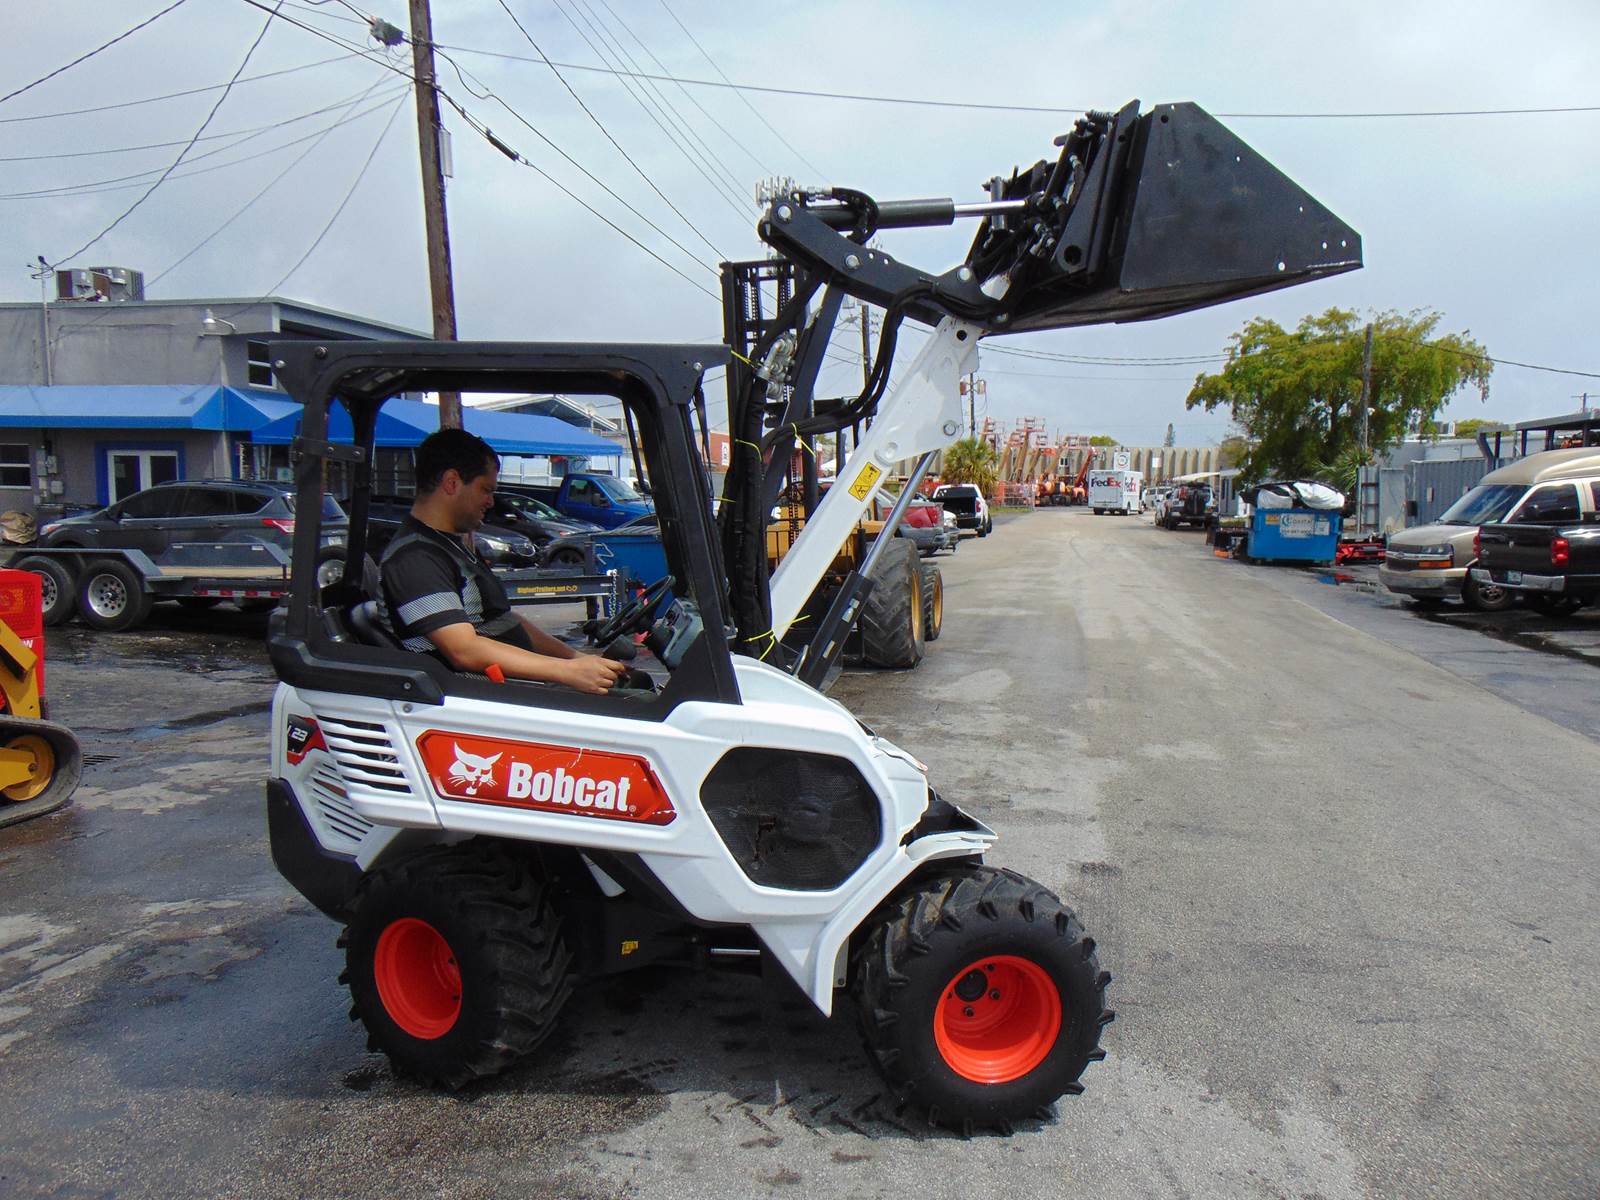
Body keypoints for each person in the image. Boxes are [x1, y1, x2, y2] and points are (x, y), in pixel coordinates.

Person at [378, 428, 626, 695]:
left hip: (507, 689)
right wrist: (565, 671)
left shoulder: (448, 546)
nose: (491, 501)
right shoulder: (415, 558)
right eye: (485, 489)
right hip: (477, 699)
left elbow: (504, 620)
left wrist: (574, 658)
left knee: (635, 690)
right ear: (451, 482)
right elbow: (463, 649)